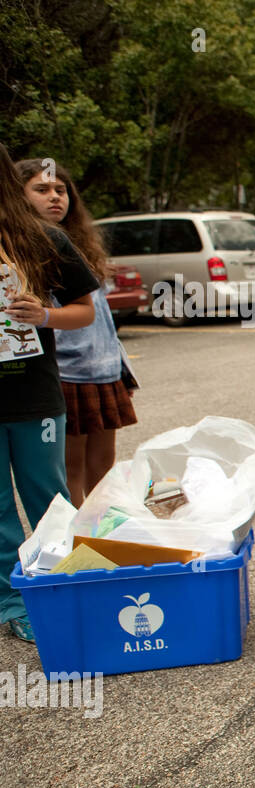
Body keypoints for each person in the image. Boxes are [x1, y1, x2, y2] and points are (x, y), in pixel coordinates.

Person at [0, 143, 98, 642]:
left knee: (50, 500)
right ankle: (14, 605)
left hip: (33, 397)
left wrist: (44, 316)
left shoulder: (41, 238)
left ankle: (67, 588)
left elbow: (85, 309)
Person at [16, 158, 138, 506]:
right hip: (63, 371)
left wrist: (121, 367)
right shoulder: (25, 249)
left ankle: (105, 537)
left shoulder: (82, 243)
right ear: (17, 196)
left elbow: (99, 316)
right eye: (41, 189)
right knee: (69, 469)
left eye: (60, 189)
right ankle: (77, 545)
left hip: (104, 368)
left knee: (103, 466)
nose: (55, 197)